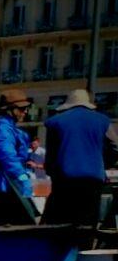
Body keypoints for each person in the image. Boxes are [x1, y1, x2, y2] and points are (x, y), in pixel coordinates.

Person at [42, 88, 118, 227]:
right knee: (87, 221)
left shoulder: (55, 122)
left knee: (62, 221)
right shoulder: (103, 120)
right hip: (93, 179)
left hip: (64, 179)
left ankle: (63, 247)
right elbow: (115, 146)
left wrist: (50, 172)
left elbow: (51, 154)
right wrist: (106, 163)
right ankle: (84, 246)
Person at [0, 88, 37, 225]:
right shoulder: (2, 129)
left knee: (7, 229)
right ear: (10, 110)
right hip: (3, 186)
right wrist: (22, 177)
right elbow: (7, 156)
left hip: (2, 185)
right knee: (12, 228)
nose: (26, 112)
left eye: (27, 108)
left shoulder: (5, 128)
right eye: (22, 109)